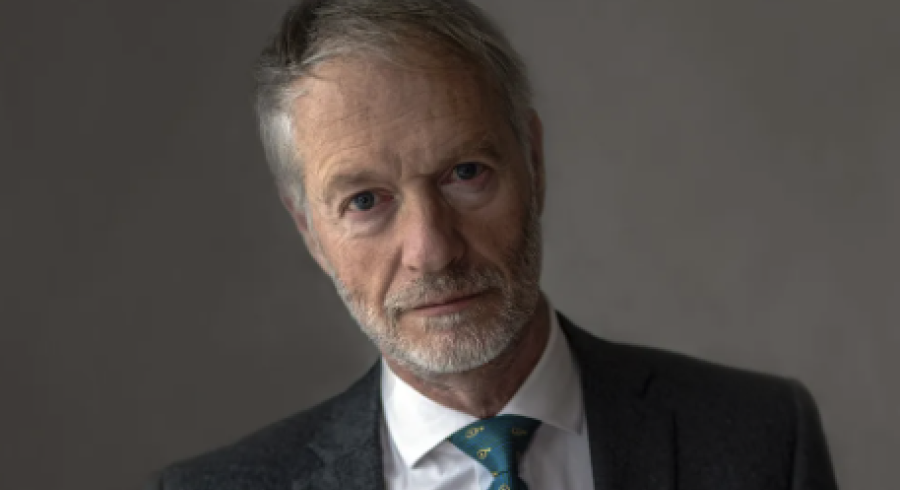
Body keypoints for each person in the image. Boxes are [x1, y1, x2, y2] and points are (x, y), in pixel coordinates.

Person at [148, 1, 839, 489]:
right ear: (309, 230)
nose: (432, 250)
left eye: (466, 174)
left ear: (532, 161)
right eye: (365, 201)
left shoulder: (761, 440)